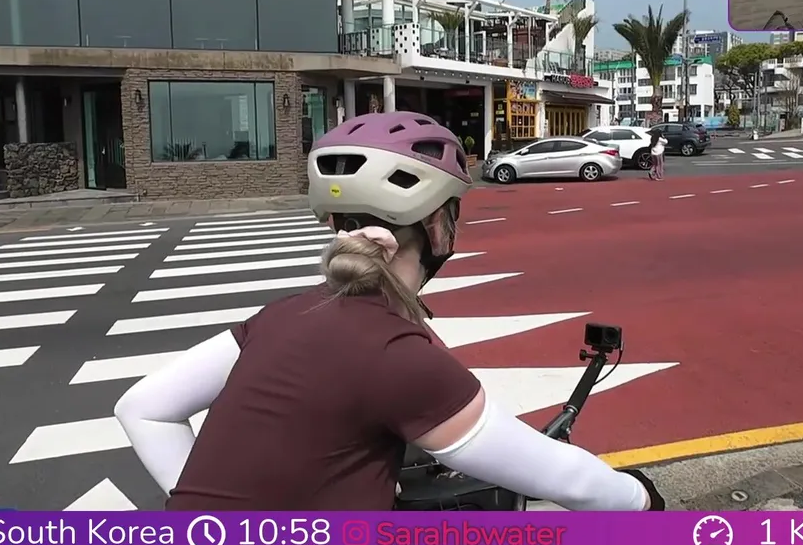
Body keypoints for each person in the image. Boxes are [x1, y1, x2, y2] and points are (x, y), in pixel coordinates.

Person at [114, 111, 664, 511]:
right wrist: (639, 498)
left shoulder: (282, 315)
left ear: (335, 224)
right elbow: (564, 477)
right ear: (437, 225)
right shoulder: (394, 357)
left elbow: (142, 408)